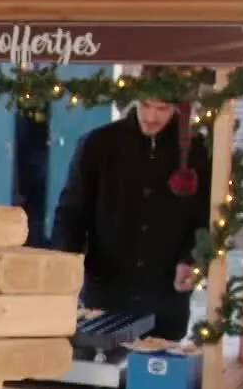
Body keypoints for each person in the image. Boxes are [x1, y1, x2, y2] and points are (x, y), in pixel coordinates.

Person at [50, 97, 210, 341]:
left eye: (162, 109)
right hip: (105, 293)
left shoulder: (199, 151)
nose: (151, 117)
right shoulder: (98, 144)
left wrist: (191, 258)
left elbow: (206, 216)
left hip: (166, 296)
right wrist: (66, 267)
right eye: (145, 105)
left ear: (177, 108)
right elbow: (71, 212)